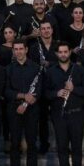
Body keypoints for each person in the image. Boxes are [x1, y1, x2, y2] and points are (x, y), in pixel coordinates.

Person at [45, 42, 84, 166]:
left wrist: (74, 88)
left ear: (70, 52)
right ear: (56, 54)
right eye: (60, 52)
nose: (63, 54)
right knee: (62, 148)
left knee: (77, 148)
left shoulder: (79, 70)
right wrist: (56, 93)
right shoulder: (50, 72)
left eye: (66, 51)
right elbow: (44, 93)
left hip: (77, 114)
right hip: (59, 114)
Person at [5, 39, 42, 166]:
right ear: (13, 51)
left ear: (26, 50)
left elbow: (39, 90)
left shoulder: (36, 68)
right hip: (14, 110)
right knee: (14, 145)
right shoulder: (8, 69)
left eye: (21, 49)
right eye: (16, 49)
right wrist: (22, 96)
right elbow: (6, 91)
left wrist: (26, 103)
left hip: (31, 111)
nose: (19, 51)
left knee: (32, 144)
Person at [28, 20, 58, 154]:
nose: (46, 31)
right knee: (42, 117)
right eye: (43, 29)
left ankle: (63, 143)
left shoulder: (58, 45)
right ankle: (44, 144)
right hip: (41, 86)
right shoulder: (34, 47)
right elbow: (31, 66)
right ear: (40, 31)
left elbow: (64, 62)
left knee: (59, 117)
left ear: (52, 30)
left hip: (56, 85)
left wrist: (49, 63)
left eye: (48, 28)